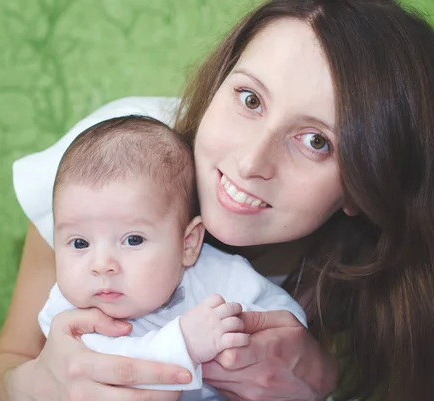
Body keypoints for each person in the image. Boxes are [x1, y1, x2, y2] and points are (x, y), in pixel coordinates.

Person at [0, 1, 434, 400]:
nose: (250, 162)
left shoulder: (371, 266)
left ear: (363, 186)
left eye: (316, 141)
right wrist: (25, 386)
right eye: (250, 99)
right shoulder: (110, 167)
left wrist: (320, 377)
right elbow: (6, 362)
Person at [37, 115, 307, 401]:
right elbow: (112, 366)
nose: (101, 264)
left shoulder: (217, 275)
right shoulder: (66, 315)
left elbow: (286, 325)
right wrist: (184, 343)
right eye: (80, 243)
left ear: (188, 244)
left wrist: (244, 338)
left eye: (133, 240)